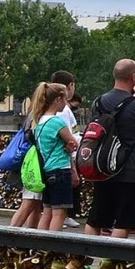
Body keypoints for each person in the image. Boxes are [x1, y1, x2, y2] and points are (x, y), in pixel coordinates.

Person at [84, 59, 135, 238]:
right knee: (124, 222)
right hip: (130, 170)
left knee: (95, 220)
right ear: (134, 77)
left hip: (102, 167)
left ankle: (85, 260)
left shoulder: (98, 103)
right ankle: (110, 263)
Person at [31, 82, 78, 231]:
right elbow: (73, 142)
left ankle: (40, 245)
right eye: (64, 99)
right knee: (59, 214)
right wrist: (69, 148)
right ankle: (53, 249)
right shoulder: (58, 122)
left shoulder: (39, 121)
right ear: (58, 99)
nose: (66, 103)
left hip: (46, 170)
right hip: (60, 170)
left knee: (47, 212)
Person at [9, 83, 49, 230]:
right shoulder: (40, 116)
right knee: (29, 203)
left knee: (35, 204)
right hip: (35, 165)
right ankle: (9, 237)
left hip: (30, 162)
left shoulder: (34, 113)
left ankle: (28, 237)